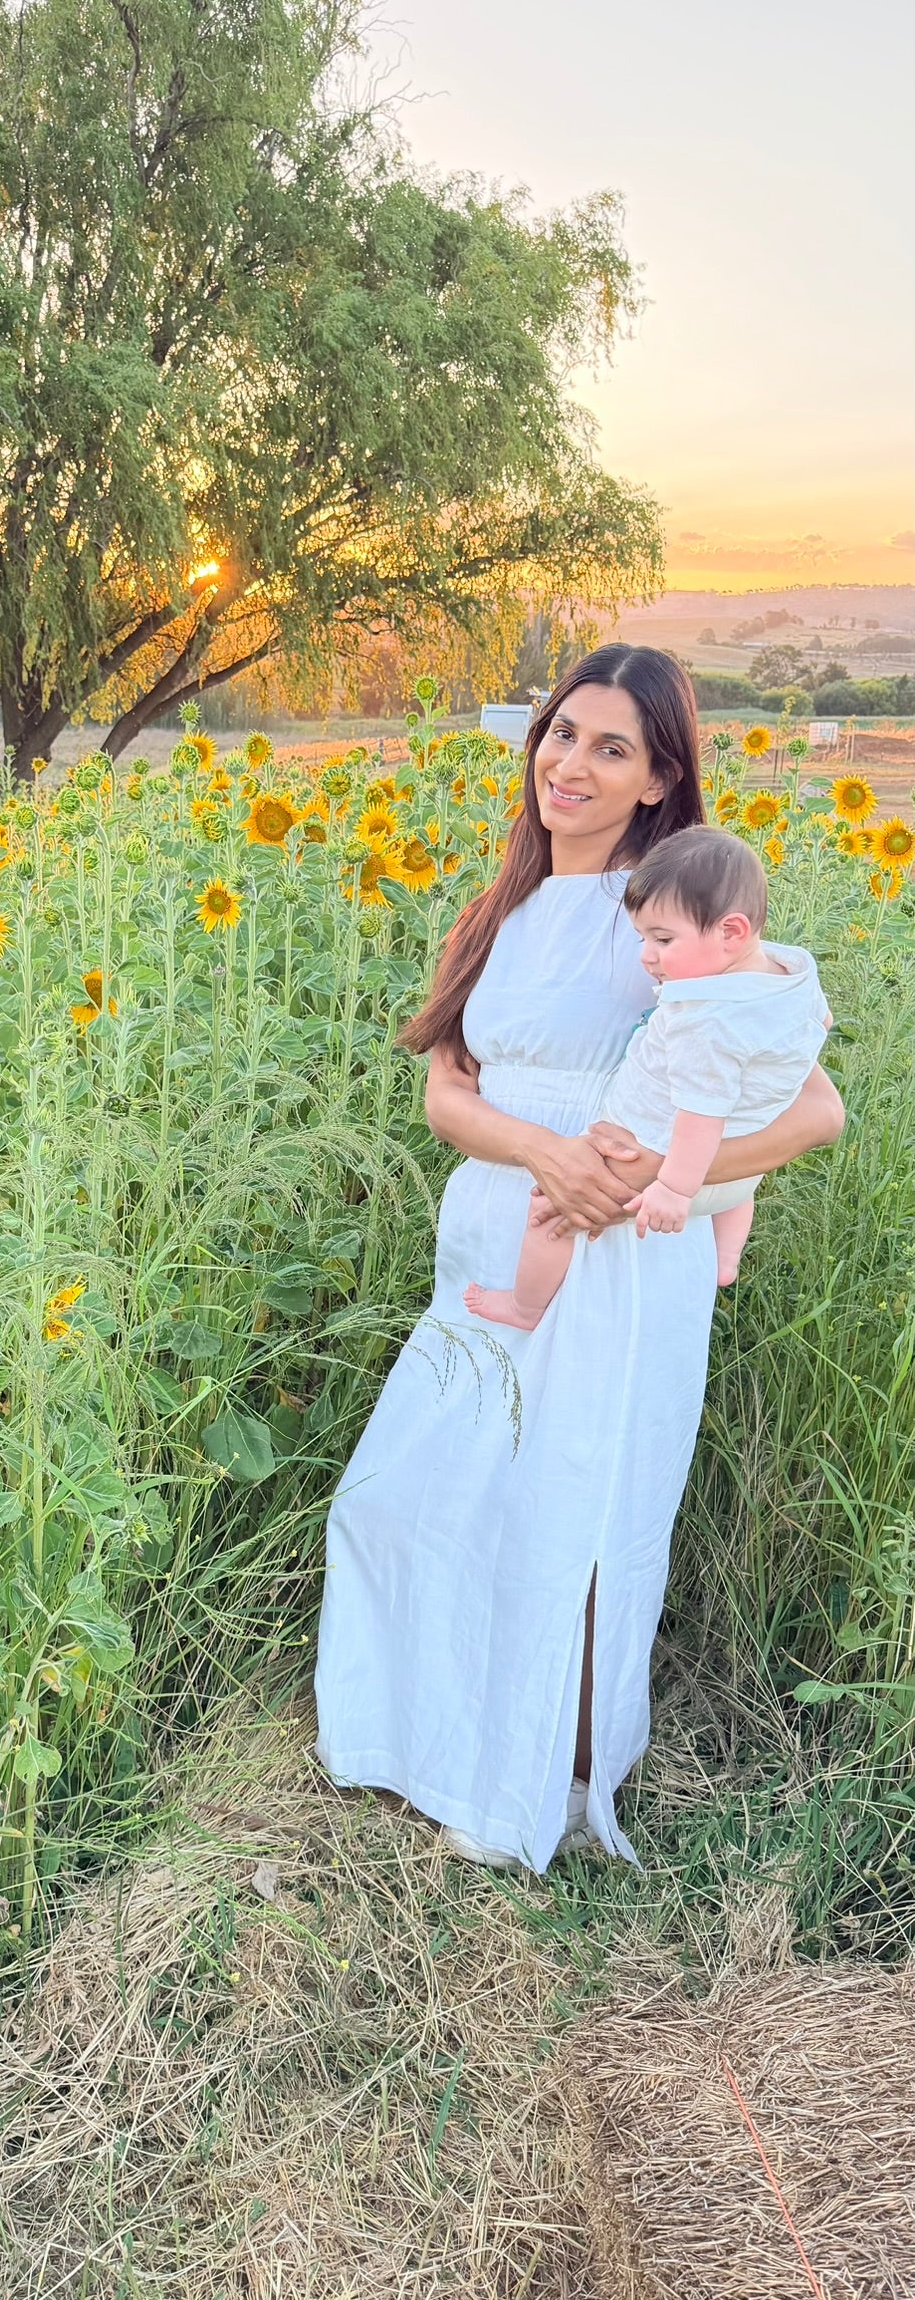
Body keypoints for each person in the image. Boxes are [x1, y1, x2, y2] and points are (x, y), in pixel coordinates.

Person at [312, 646, 844, 1873]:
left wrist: (654, 1185)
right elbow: (448, 1097)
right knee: (415, 1491)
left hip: (615, 1255)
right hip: (498, 1232)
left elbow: (813, 1110)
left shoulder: (668, 920)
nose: (572, 765)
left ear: (659, 779)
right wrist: (546, 1153)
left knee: (570, 1514)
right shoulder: (495, 909)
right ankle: (424, 1739)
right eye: (562, 733)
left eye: (613, 748)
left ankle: (539, 1780)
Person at [461, 828, 832, 1334]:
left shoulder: (705, 1020)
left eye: (662, 939)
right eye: (643, 938)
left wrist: (674, 1189)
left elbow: (701, 1116)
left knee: (552, 1213)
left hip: (659, 1159)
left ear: (731, 932)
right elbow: (821, 1022)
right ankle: (726, 1258)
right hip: (741, 1177)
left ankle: (524, 1307)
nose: (646, 955)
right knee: (739, 1171)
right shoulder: (791, 973)